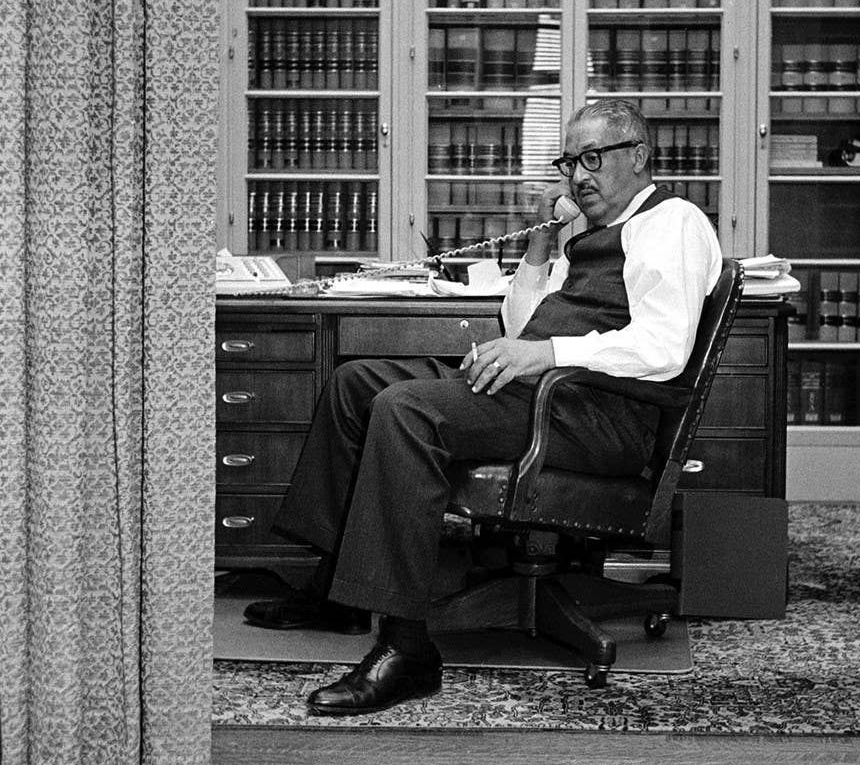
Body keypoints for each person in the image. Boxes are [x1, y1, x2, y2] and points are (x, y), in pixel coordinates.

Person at [243, 98, 722, 715]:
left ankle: (406, 647)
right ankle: (340, 591)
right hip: (550, 398)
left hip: (602, 418)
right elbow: (522, 327)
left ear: (638, 156)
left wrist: (545, 353)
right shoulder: (589, 235)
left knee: (407, 410)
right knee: (355, 383)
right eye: (569, 162)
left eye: (593, 159)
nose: (578, 176)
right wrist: (541, 250)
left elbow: (664, 347)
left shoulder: (673, 222)